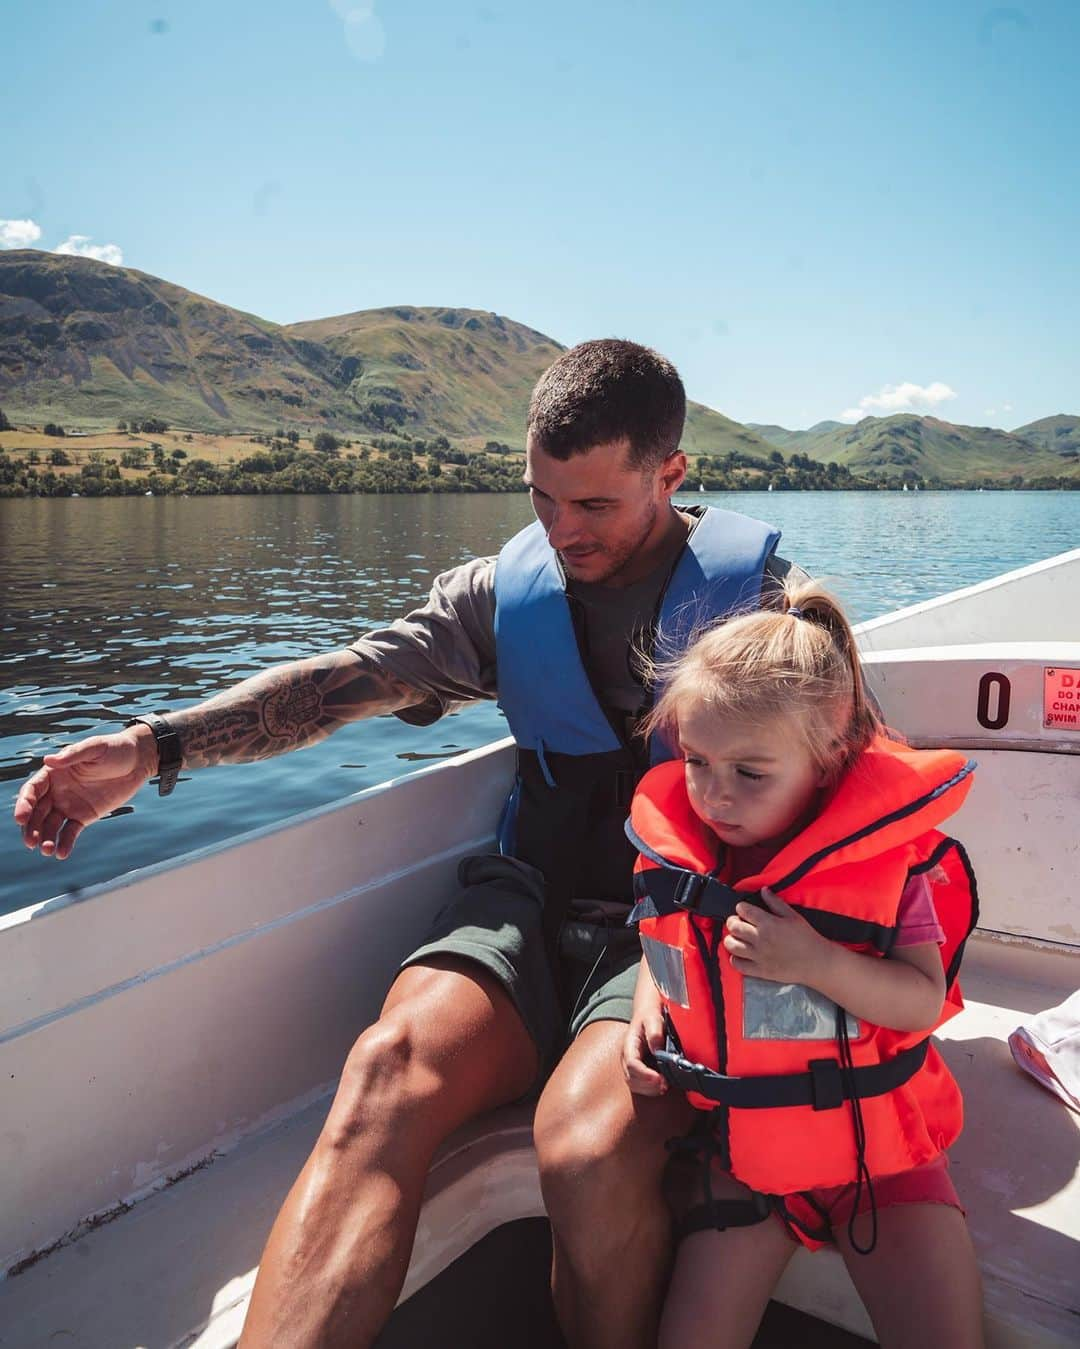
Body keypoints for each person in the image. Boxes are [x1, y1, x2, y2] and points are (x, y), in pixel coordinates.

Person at [14, 339, 799, 1349]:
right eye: (542, 497)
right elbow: (343, 682)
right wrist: (153, 745)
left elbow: (835, 807)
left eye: (593, 505)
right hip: (531, 895)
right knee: (385, 1068)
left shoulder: (762, 607)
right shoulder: (500, 595)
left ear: (670, 473)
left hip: (671, 929)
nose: (562, 528)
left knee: (589, 1144)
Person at [621, 581, 985, 1348]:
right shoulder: (691, 848)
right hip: (747, 1157)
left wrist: (817, 960)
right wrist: (645, 1000)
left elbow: (920, 1000)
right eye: (695, 760)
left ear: (827, 759)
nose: (714, 794)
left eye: (750, 773)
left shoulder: (891, 865)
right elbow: (667, 943)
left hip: (884, 1165)